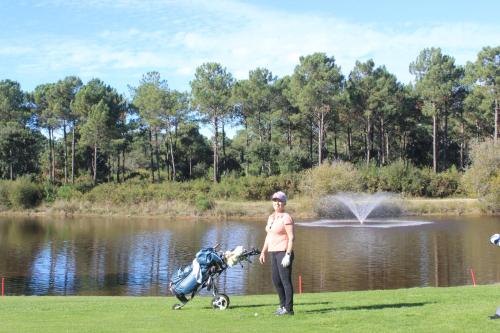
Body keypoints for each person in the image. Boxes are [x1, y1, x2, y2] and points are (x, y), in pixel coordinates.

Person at [259, 191, 295, 316]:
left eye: (279, 201)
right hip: (272, 252)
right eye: (275, 200)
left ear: (284, 203)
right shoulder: (271, 217)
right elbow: (269, 236)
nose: (277, 203)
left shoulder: (286, 217)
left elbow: (291, 238)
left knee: (285, 281)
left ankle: (289, 309)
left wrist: (288, 255)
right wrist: (263, 251)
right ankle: (282, 306)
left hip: (283, 252)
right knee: (276, 281)